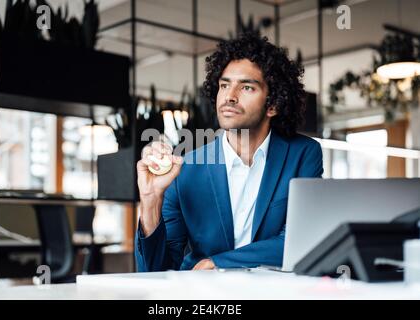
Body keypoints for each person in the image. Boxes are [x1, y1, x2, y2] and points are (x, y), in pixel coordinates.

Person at [135, 32, 324, 271]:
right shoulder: (184, 169)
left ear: (273, 104)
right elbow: (155, 271)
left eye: (246, 87)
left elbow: (298, 241)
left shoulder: (303, 154)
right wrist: (151, 201)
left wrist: (219, 263)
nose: (229, 97)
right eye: (224, 85)